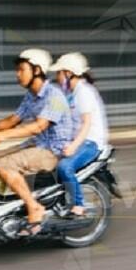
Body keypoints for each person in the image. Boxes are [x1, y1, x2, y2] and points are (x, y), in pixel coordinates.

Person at [0, 48, 75, 235]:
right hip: (36, 144)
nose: (17, 74)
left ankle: (33, 207)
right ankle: (10, 202)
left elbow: (39, 126)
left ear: (37, 70)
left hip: (53, 151)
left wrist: (3, 136)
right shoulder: (31, 95)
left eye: (21, 70)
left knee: (4, 166)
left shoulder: (56, 96)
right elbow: (13, 120)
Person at [50, 52, 109, 217]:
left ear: (68, 73)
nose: (57, 77)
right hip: (79, 140)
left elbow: (86, 123)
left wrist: (73, 146)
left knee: (65, 167)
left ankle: (78, 204)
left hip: (91, 143)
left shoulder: (84, 92)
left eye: (59, 73)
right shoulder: (72, 92)